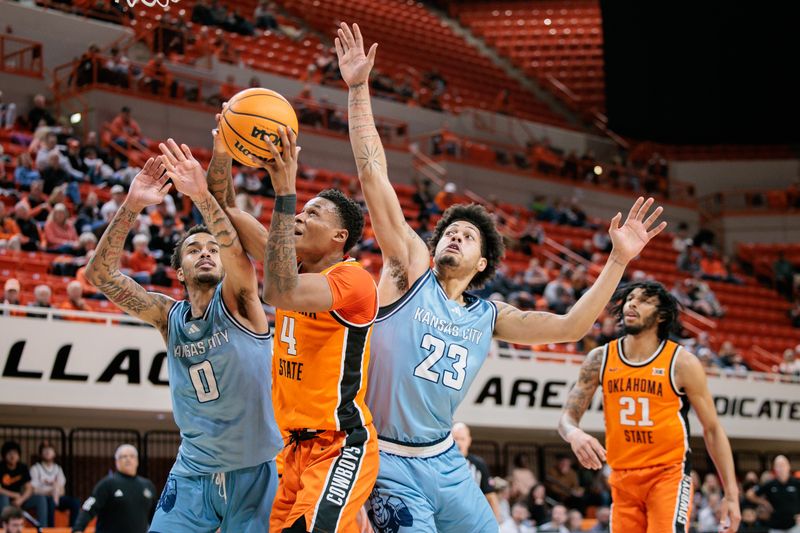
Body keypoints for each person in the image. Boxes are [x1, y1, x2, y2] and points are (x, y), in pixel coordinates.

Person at [336, 22, 666, 533]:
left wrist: (618, 261)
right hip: (389, 461)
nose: (454, 238)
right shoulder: (408, 270)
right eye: (449, 231)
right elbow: (373, 174)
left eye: (467, 236)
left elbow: (571, 327)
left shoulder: (489, 316)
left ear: (483, 264)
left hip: (446, 462)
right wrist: (359, 90)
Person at [86, 153, 282, 532]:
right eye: (194, 250)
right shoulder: (167, 316)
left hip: (253, 472)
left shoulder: (241, 303)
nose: (206, 252)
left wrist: (201, 195)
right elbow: (100, 274)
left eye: (212, 248)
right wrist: (132, 205)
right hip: (193, 471)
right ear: (179, 271)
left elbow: (239, 258)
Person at [209, 115, 380, 532]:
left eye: (313, 213)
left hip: (340, 444)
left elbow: (279, 291)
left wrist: (285, 191)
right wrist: (224, 150)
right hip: (291, 449)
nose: (300, 218)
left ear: (340, 236)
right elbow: (224, 207)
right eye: (299, 211)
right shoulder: (287, 263)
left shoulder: (352, 280)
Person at [558, 281, 741, 533]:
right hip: (622, 480)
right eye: (630, 298)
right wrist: (574, 433)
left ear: (662, 314)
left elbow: (712, 429)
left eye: (644, 300)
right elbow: (567, 417)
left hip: (667, 474)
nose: (633, 303)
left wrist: (731, 494)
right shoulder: (600, 358)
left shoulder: (682, 362)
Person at [72, 445, 156, 533]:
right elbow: (88, 508)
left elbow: (155, 517)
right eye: (124, 456)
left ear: (137, 461)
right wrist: (78, 528)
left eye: (132, 456)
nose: (128, 459)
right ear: (117, 461)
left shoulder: (148, 486)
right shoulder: (107, 484)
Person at [452, 422, 501, 522]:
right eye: (455, 438)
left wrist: (496, 524)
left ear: (469, 441)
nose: (459, 443)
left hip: (473, 518)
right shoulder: (442, 463)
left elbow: (491, 496)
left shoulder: (478, 464)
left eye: (462, 439)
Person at [745, 455, 800, 533]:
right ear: (774, 468)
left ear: (789, 466)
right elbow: (749, 494)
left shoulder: (796, 483)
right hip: (776, 526)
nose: (781, 468)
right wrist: (764, 502)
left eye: (783, 465)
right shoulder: (770, 484)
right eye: (778, 465)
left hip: (795, 526)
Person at [30, 442, 79, 527]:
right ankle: (51, 529)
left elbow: (62, 490)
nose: (48, 452)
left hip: (57, 498)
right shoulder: (35, 468)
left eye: (50, 450)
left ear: (54, 453)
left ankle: (73, 528)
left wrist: (55, 492)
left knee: (75, 502)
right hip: (44, 498)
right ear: (40, 454)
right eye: (45, 450)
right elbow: (34, 490)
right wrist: (52, 491)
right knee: (50, 501)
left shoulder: (58, 469)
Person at [0, 441, 48, 525]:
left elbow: (29, 488)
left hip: (20, 499)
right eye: (9, 453)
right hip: (4, 499)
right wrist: (14, 495)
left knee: (40, 499)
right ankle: (5, 528)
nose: (12, 456)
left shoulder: (22, 467)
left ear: (19, 455)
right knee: (3, 498)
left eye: (15, 453)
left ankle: (42, 528)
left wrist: (21, 499)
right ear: (4, 455)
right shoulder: (0, 467)